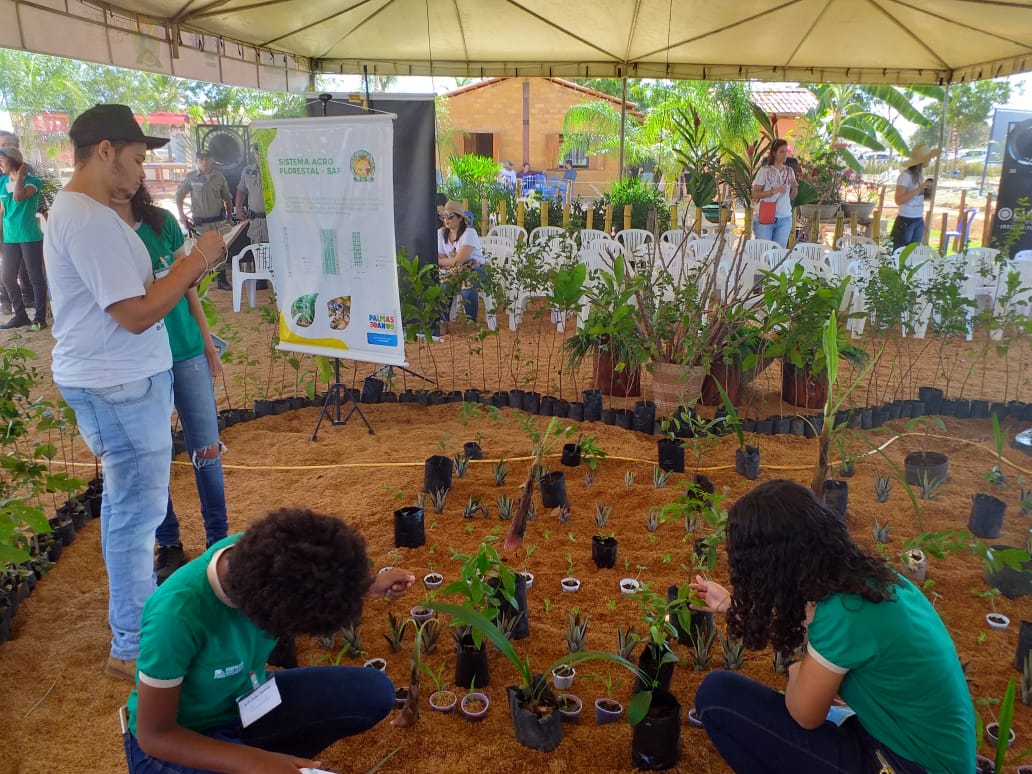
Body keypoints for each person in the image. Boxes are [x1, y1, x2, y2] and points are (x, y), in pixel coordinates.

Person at [44, 103, 226, 683]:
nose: (142, 172)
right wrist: (197, 260)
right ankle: (131, 642)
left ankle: (133, 630)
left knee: (133, 508)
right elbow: (135, 313)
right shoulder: (89, 220)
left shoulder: (90, 212)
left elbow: (135, 290)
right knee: (135, 513)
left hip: (120, 379)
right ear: (106, 152)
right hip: (116, 381)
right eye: (137, 159)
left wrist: (178, 267)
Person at [690, 479, 974, 774]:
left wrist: (797, 671)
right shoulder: (868, 582)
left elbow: (804, 714)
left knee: (717, 696)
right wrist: (732, 604)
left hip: (907, 763)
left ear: (774, 564)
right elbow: (817, 626)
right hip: (909, 744)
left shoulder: (844, 612)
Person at [124, 507, 414, 774]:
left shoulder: (264, 555)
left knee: (372, 692)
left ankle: (258, 753)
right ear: (265, 613)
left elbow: (308, 575)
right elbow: (155, 735)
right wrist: (255, 762)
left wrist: (362, 585)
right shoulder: (176, 618)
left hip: (245, 701)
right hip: (179, 740)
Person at [110, 183, 229, 585]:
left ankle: (218, 538)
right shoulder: (106, 235)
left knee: (208, 449)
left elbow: (188, 286)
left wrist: (206, 340)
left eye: (141, 163)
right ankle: (170, 543)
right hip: (143, 361)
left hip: (187, 351)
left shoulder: (162, 225)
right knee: (154, 456)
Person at [0, 146, 47, 330]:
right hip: (10, 237)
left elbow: (19, 197)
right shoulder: (2, 182)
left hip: (29, 236)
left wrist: (20, 175)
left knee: (35, 277)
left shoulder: (34, 181)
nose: (0, 164)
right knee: (7, 277)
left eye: (2, 160)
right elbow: (2, 210)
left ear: (13, 160)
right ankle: (20, 315)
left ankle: (39, 319)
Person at [177, 149, 234, 290]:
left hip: (217, 222)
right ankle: (201, 281)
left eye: (207, 159)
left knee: (220, 250)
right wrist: (182, 215)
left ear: (212, 160)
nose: (205, 162)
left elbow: (227, 198)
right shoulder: (190, 177)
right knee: (200, 252)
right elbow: (179, 196)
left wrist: (229, 217)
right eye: (201, 159)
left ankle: (221, 279)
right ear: (196, 161)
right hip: (200, 223)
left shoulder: (219, 177)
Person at [437, 199, 486, 327]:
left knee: (467, 286)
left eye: (450, 217)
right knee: (444, 286)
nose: (446, 220)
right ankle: (443, 322)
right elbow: (444, 260)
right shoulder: (441, 233)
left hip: (475, 268)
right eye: (444, 216)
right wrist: (449, 262)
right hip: (455, 271)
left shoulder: (469, 233)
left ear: (459, 219)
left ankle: (472, 322)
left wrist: (446, 262)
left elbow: (457, 260)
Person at [892, 144, 940, 252]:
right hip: (905, 221)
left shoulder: (919, 175)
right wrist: (920, 188)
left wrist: (928, 189)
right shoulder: (905, 176)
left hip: (918, 219)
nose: (930, 160)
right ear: (922, 160)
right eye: (929, 158)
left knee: (913, 255)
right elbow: (898, 200)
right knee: (900, 254)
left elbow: (921, 198)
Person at [751, 138, 797, 248]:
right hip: (766, 216)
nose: (785, 154)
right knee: (763, 250)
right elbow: (755, 194)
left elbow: (791, 197)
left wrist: (795, 188)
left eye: (786, 151)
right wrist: (773, 191)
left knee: (778, 253)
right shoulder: (764, 170)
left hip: (785, 217)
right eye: (781, 151)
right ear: (774, 153)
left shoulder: (789, 171)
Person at [234, 148, 268, 245]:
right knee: (258, 255)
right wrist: (238, 208)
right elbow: (241, 189)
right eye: (258, 153)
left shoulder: (276, 170)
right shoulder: (247, 171)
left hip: (272, 223)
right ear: (254, 154)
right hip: (255, 223)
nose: (260, 155)